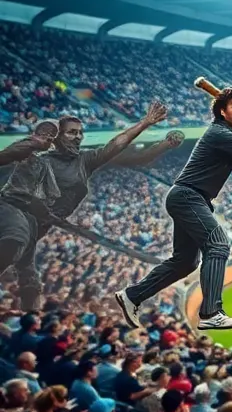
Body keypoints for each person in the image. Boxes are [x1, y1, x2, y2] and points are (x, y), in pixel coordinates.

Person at [116, 87, 232, 331]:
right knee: (218, 245)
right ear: (222, 111)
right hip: (188, 196)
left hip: (192, 199)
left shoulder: (228, 136)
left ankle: (132, 295)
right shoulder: (218, 132)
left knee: (185, 262)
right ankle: (211, 312)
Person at [0, 109, 177, 309]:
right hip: (15, 212)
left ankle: (29, 312)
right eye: (71, 132)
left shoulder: (85, 161)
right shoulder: (38, 159)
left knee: (28, 277)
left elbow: (116, 144)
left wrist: (144, 123)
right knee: (16, 241)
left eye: (80, 133)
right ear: (57, 137)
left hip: (41, 223)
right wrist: (35, 144)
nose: (78, 137)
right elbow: (14, 190)